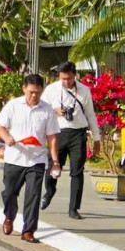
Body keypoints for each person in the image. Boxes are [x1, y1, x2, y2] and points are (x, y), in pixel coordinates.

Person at [0, 72, 60, 242]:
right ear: (24, 89)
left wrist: (55, 162)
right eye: (31, 91)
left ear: (42, 90)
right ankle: (9, 216)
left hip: (36, 160)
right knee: (9, 193)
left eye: (37, 92)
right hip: (15, 158)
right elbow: (1, 127)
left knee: (33, 195)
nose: (34, 95)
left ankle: (28, 230)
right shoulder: (13, 105)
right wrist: (7, 138)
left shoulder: (47, 110)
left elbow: (52, 138)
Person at [42, 61, 100, 220]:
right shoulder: (51, 90)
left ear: (75, 75)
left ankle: (74, 208)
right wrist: (54, 110)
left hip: (78, 134)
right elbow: (41, 110)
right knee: (52, 168)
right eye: (63, 79)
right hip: (57, 133)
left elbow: (91, 115)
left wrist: (97, 138)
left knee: (77, 172)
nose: (66, 82)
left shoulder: (84, 91)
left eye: (69, 78)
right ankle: (49, 191)